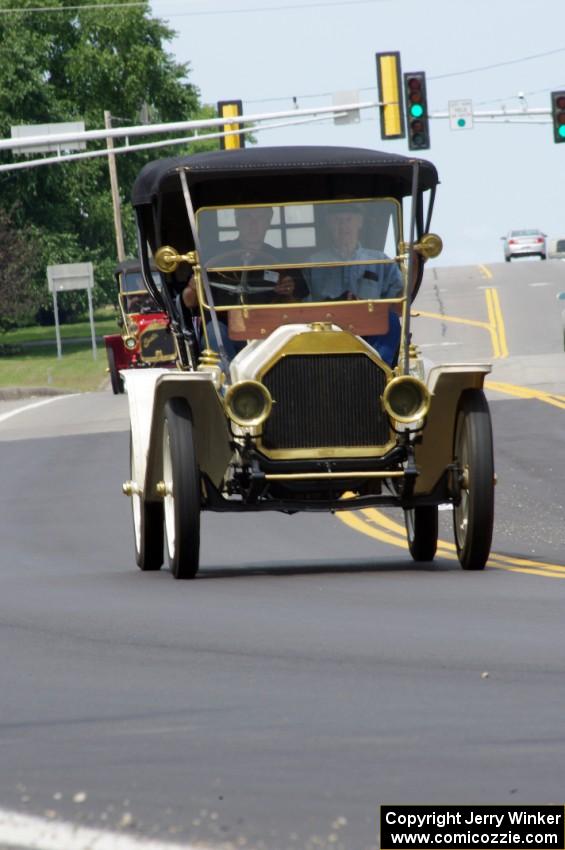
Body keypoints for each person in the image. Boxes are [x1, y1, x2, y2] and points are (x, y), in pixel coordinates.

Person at [182, 207, 300, 360]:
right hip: (225, 329)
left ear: (268, 221)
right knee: (214, 331)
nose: (253, 224)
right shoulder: (214, 254)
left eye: (260, 218)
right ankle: (227, 379)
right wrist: (194, 286)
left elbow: (302, 299)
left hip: (269, 330)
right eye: (247, 217)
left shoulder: (282, 258)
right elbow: (188, 301)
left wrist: (289, 289)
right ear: (237, 221)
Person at [306, 202, 404, 365]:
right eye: (337, 220)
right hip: (325, 334)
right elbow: (303, 306)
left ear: (360, 222)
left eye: (349, 220)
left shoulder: (380, 260)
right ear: (329, 224)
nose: (343, 226)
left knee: (391, 319)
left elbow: (398, 303)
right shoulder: (312, 263)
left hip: (373, 337)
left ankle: (381, 370)